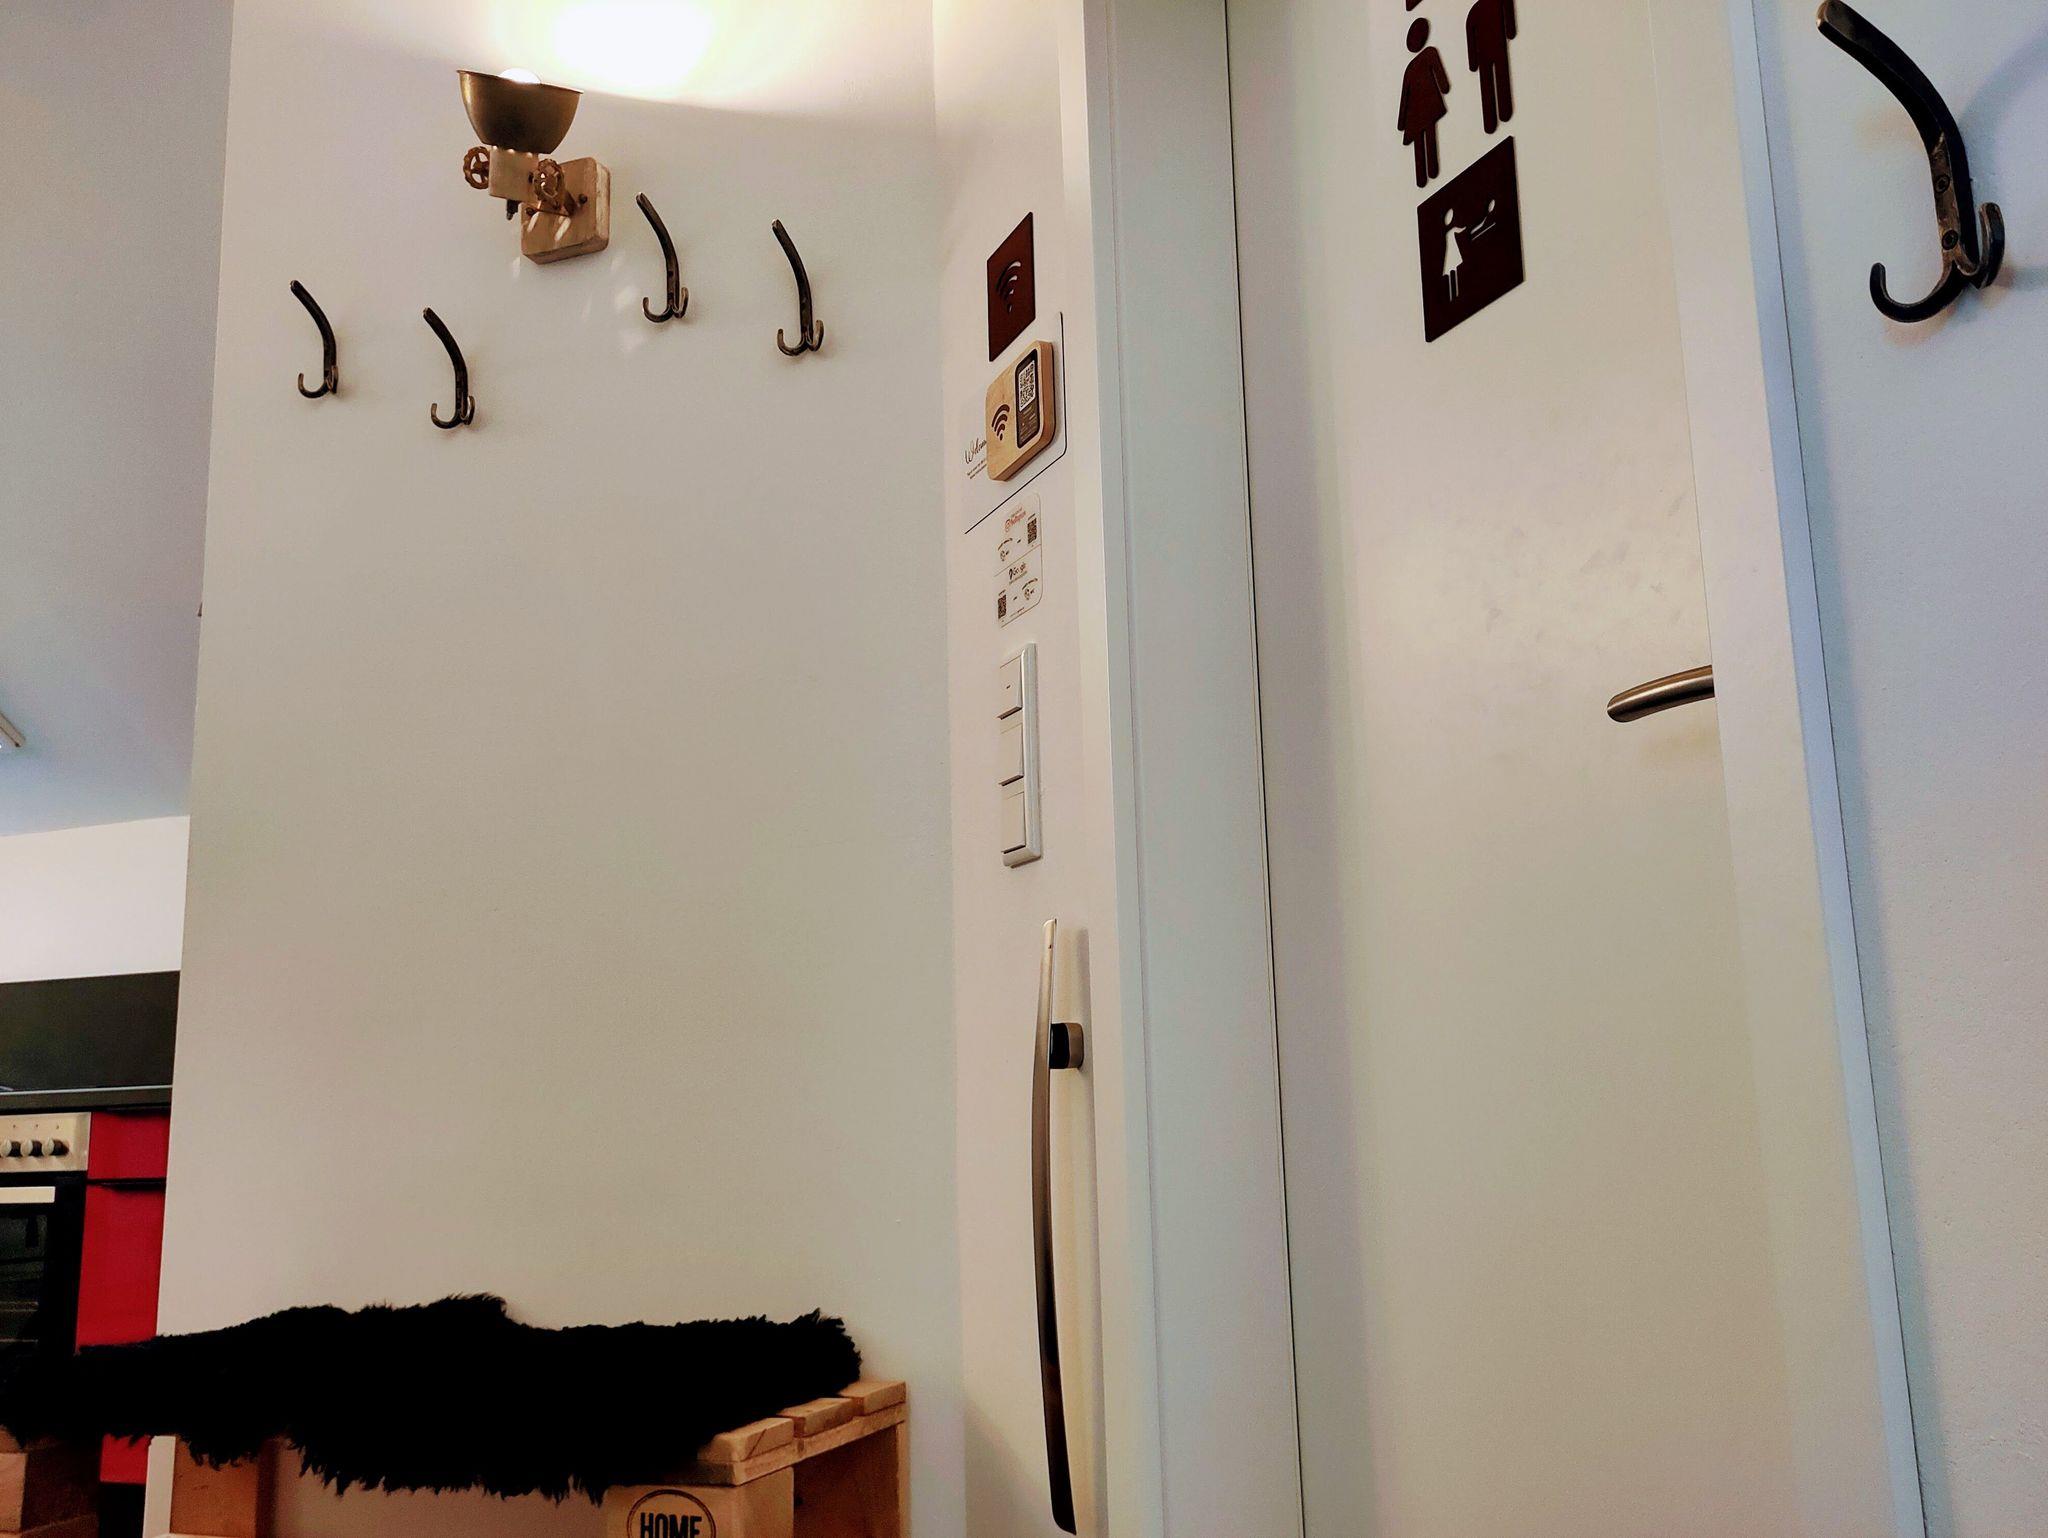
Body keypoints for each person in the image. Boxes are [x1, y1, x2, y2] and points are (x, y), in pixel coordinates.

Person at [1398, 18, 1453, 188]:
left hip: (1422, 109)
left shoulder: (1425, 57)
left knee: (1427, 138)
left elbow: (1405, 96)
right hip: (1421, 110)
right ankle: (1425, 174)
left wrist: (1401, 123)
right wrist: (1401, 122)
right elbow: (1405, 95)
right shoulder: (1417, 63)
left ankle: (1430, 170)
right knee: (1423, 141)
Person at [1466, 0, 1517, 134]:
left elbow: (1470, 32)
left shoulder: (1475, 11)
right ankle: (1496, 116)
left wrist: (1473, 63)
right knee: (1492, 80)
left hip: (1490, 50)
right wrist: (1510, 31)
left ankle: (1499, 115)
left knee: (1494, 78)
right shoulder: (1476, 11)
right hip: (1492, 48)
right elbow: (1470, 33)